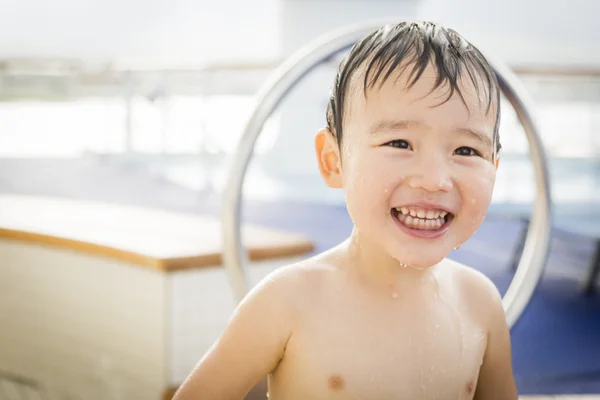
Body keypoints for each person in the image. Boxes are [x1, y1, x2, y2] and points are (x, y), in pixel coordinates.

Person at [173, 21, 518, 400]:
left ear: (495, 169)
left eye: (466, 151)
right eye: (400, 142)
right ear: (333, 161)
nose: (434, 180)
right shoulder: (287, 302)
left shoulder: (481, 305)